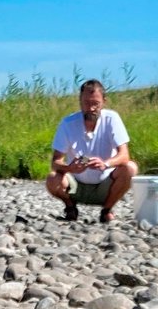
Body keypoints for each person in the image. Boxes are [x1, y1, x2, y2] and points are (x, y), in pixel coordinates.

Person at [46, 79, 133, 222]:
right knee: (52, 179)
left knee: (130, 168)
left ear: (104, 101)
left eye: (95, 104)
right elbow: (55, 162)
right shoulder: (68, 123)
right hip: (76, 184)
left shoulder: (112, 119)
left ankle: (107, 209)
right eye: (87, 103)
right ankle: (70, 206)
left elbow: (124, 156)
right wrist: (70, 167)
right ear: (80, 101)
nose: (91, 108)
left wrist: (106, 164)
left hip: (105, 182)